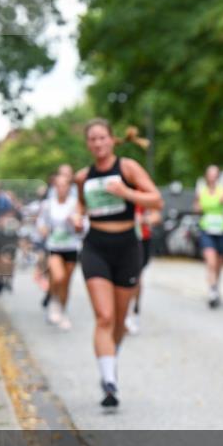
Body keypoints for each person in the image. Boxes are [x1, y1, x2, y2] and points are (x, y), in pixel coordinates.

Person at [75, 121, 161, 408]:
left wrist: (127, 193)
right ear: (88, 144)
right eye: (93, 139)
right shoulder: (82, 177)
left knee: (119, 321)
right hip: (95, 247)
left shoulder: (127, 168)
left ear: (112, 140)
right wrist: (77, 217)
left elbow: (156, 199)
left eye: (102, 138)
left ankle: (110, 361)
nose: (98, 143)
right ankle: (109, 383)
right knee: (104, 316)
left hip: (127, 248)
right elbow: (81, 206)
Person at [38, 172, 82, 331]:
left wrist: (77, 224)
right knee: (58, 276)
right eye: (59, 185)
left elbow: (82, 227)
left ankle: (62, 312)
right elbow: (41, 223)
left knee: (66, 283)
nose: (62, 188)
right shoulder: (48, 204)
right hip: (54, 247)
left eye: (65, 185)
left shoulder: (75, 203)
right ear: (54, 187)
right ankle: (53, 301)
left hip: (71, 247)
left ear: (69, 187)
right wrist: (42, 229)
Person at [193, 165, 223, 308]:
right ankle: (212, 291)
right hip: (207, 230)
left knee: (219, 264)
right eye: (210, 174)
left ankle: (215, 286)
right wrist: (199, 207)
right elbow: (195, 208)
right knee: (211, 262)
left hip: (221, 230)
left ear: (218, 176)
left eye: (215, 174)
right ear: (207, 176)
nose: (213, 177)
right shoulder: (202, 191)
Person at [125, 203, 161, 335]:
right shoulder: (115, 185)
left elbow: (156, 216)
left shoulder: (142, 191)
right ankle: (122, 313)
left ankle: (134, 312)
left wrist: (143, 219)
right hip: (121, 239)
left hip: (141, 240)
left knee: (136, 277)